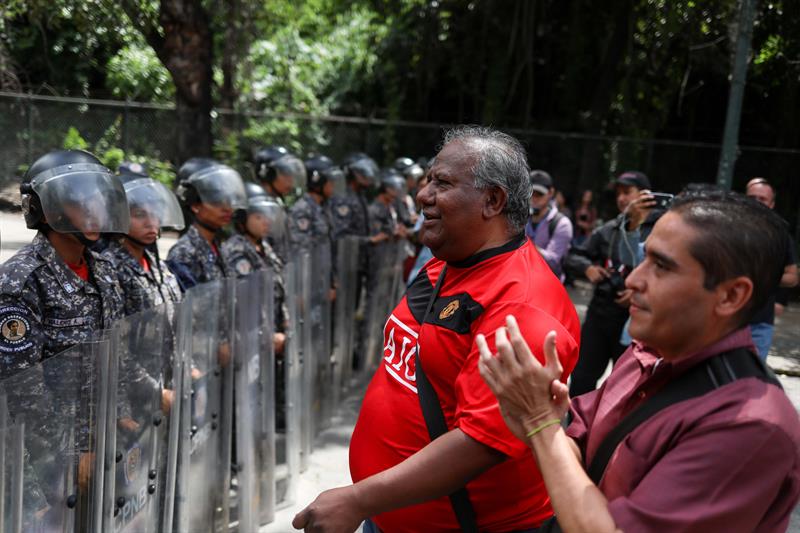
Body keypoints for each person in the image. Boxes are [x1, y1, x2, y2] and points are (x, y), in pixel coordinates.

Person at [293, 126, 580, 533]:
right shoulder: (447, 264)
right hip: (391, 513)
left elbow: (482, 441)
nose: (423, 194)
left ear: (492, 200)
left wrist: (359, 498)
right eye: (428, 179)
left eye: (442, 182)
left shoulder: (523, 305)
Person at [477, 190, 800, 532]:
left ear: (731, 295)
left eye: (661, 266)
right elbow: (578, 438)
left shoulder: (751, 426)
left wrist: (540, 424)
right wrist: (543, 421)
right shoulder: (645, 350)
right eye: (643, 259)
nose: (632, 279)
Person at [0, 149, 128, 376]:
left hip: (105, 412)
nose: (95, 213)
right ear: (46, 211)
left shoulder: (104, 270)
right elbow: (23, 387)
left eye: (99, 203)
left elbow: (118, 356)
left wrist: (122, 410)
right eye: (81, 204)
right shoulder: (21, 281)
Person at [563, 171, 654, 396]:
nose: (622, 198)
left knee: (625, 385)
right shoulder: (608, 230)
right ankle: (575, 429)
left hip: (634, 319)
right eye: (619, 194)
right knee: (583, 376)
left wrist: (639, 293)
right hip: (601, 311)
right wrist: (588, 268)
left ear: (644, 195)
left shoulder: (659, 230)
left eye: (628, 192)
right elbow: (574, 255)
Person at [102, 170, 184, 317]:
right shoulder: (109, 267)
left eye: (155, 214)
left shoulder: (157, 263)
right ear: (119, 217)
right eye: (140, 215)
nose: (151, 223)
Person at [223, 184, 288, 354]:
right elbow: (244, 305)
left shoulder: (264, 246)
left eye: (267, 216)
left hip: (276, 338)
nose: (266, 221)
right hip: (252, 343)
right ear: (243, 218)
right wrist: (267, 337)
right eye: (258, 217)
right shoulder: (237, 250)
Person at [167, 158, 247, 290]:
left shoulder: (217, 247)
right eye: (216, 200)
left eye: (228, 200)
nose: (227, 208)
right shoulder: (184, 253)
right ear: (194, 205)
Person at [743, 177, 798, 359]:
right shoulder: (726, 229)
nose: (757, 203)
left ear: (771, 204)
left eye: (762, 199)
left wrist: (766, 273)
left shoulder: (780, 235)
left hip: (760, 324)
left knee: (752, 382)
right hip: (723, 321)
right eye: (752, 198)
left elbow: (792, 277)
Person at [254, 145, 306, 263]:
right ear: (269, 174)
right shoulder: (258, 207)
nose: (291, 179)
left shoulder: (277, 203)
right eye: (285, 173)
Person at [524, 170, 573, 281]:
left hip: (548, 285)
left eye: (539, 194)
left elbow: (553, 262)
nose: (534, 198)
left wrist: (523, 242)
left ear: (551, 192)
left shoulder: (562, 224)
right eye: (531, 193)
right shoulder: (520, 218)